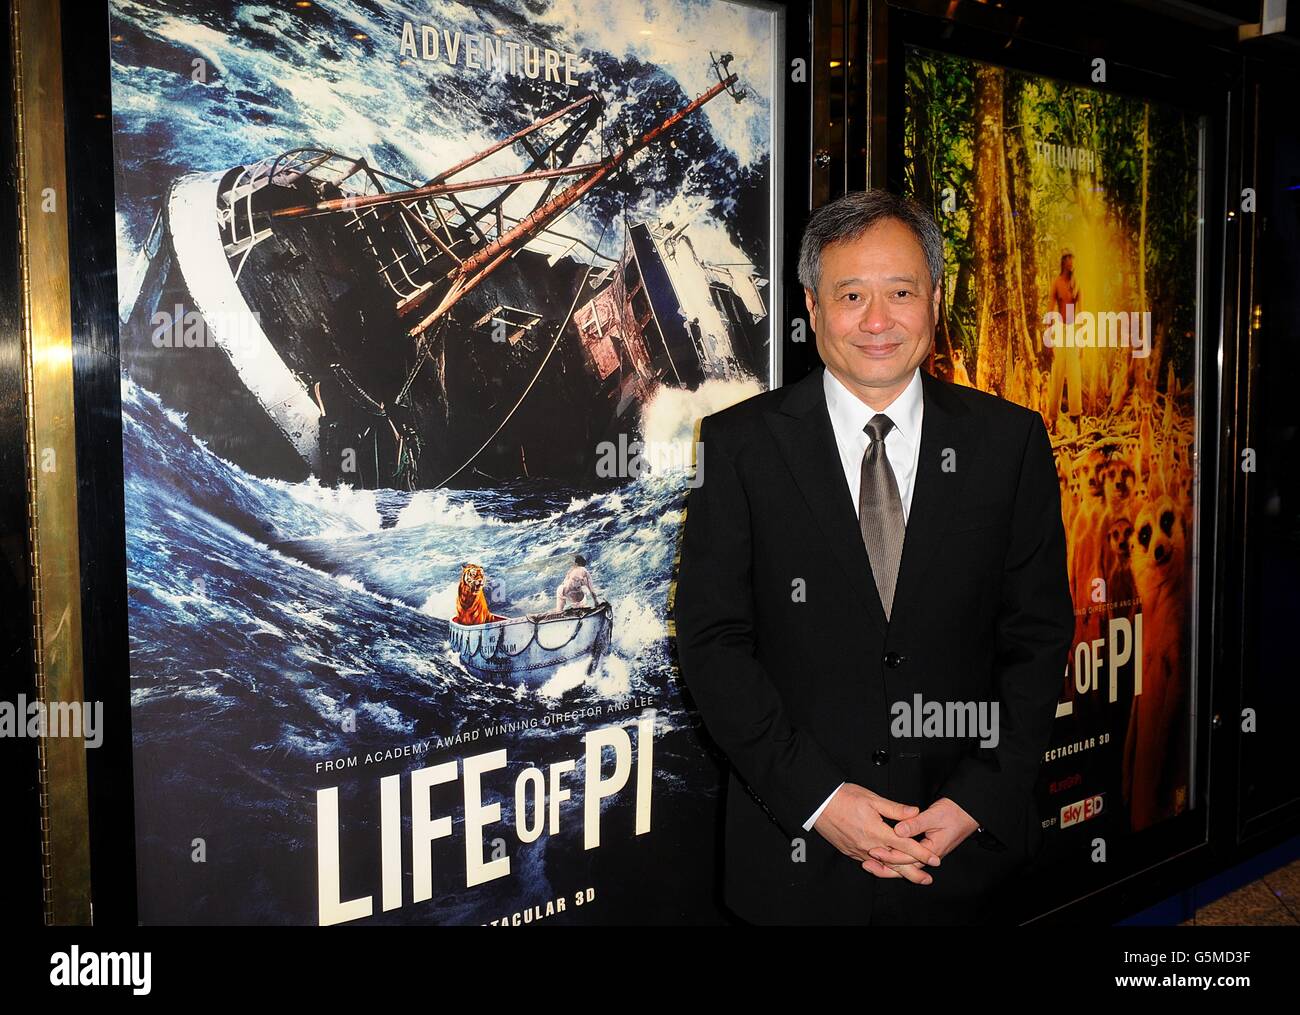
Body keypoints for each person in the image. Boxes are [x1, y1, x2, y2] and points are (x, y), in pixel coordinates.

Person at [672, 189, 1073, 925]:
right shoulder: (738, 447)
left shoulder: (1008, 443)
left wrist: (975, 799)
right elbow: (713, 643)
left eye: (901, 292)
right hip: (798, 866)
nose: (878, 321)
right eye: (851, 294)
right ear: (812, 306)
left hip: (964, 859)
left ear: (936, 298)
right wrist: (820, 800)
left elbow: (1038, 637)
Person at [1046, 250, 1084, 433]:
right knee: (1057, 374)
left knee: (1075, 375)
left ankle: (1077, 421)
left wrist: (1082, 339)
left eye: (1073, 259)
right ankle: (1053, 421)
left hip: (1073, 330)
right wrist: (1049, 336)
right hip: (1060, 330)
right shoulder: (1057, 283)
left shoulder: (1076, 284)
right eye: (1069, 259)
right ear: (1063, 262)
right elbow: (1050, 309)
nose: (1071, 263)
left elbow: (1082, 313)